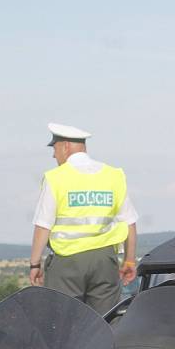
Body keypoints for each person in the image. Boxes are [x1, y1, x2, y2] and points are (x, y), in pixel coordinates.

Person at [30, 123, 138, 315]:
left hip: (67, 262)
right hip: (105, 261)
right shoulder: (113, 176)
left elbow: (43, 226)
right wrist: (129, 261)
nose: (54, 155)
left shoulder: (56, 178)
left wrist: (35, 264)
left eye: (54, 149)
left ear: (65, 146)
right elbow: (129, 222)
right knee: (106, 321)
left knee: (62, 322)